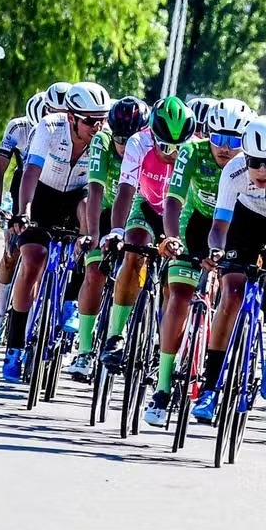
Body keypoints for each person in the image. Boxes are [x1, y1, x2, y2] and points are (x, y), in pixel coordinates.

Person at [190, 116, 266, 422]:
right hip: (247, 221)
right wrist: (216, 253)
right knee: (231, 294)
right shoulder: (233, 171)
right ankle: (209, 386)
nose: (261, 171)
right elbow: (219, 226)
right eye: (255, 162)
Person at [142, 98, 246, 425]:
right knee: (180, 297)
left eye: (234, 142)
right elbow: (172, 200)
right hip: (196, 222)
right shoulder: (192, 151)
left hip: (236, 228)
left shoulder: (249, 164)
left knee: (230, 295)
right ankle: (161, 389)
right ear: (207, 134)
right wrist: (171, 237)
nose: (226, 149)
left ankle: (216, 374)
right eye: (219, 139)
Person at [2, 81, 112, 382]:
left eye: (101, 119)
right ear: (71, 117)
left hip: (77, 196)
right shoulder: (50, 127)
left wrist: (93, 231)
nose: (96, 126)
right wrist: (23, 211)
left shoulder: (103, 137)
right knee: (34, 260)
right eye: (90, 120)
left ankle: (70, 303)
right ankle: (14, 346)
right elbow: (31, 171)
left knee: (90, 230)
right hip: (41, 194)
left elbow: (97, 187)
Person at [98, 96, 197, 368]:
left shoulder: (194, 150)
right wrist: (116, 231)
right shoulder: (139, 143)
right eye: (165, 145)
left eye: (179, 147)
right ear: (153, 134)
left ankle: (161, 341)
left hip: (181, 216)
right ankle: (115, 335)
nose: (172, 153)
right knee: (133, 248)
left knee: (173, 283)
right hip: (149, 207)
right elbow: (126, 191)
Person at [64, 96, 149, 379]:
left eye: (130, 139)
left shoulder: (149, 145)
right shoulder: (102, 141)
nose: (124, 146)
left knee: (136, 260)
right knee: (94, 271)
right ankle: (85, 351)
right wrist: (92, 235)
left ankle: (118, 332)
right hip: (104, 208)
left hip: (137, 210)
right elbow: (95, 188)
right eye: (119, 139)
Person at [0, 91, 48, 344]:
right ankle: (0, 315)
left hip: (48, 195)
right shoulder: (17, 127)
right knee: (11, 253)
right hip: (19, 189)